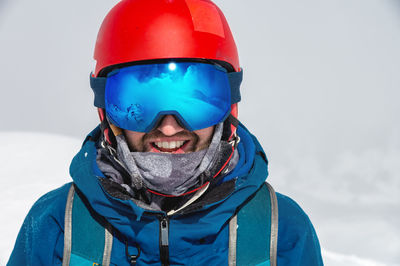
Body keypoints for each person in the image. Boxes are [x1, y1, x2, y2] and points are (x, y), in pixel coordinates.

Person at [8, 0, 323, 265]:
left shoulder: (279, 232)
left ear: (229, 108)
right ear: (107, 114)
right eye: (139, 104)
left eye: (196, 100)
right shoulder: (58, 227)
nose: (169, 127)